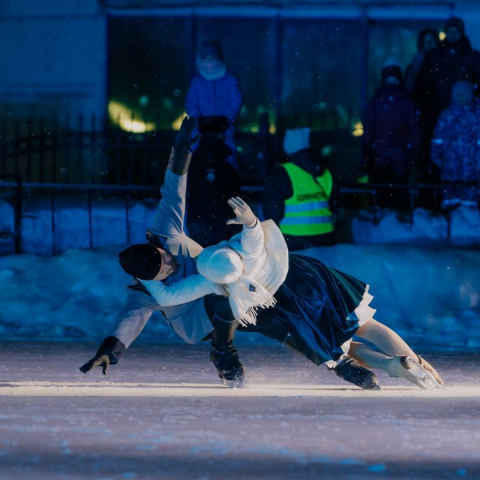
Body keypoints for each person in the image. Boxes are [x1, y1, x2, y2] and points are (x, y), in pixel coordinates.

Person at [140, 196, 443, 391]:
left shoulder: (217, 284)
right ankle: (411, 359)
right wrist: (248, 219)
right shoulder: (249, 251)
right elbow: (254, 232)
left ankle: (392, 366)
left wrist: (146, 277)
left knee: (341, 346)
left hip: (288, 305)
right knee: (365, 324)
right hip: (309, 278)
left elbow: (168, 297)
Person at [263, 128, 336, 251]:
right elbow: (335, 205)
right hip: (326, 237)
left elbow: (272, 209)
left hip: (293, 239)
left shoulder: (281, 173)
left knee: (297, 270)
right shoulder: (325, 171)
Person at [361, 65, 421, 211]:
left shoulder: (405, 102)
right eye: (389, 79)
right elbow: (369, 127)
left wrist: (412, 146)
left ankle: (394, 215)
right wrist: (368, 147)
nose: (392, 83)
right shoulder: (378, 101)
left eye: (394, 79)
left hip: (397, 152)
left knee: (397, 187)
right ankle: (383, 214)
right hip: (383, 151)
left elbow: (414, 127)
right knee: (383, 185)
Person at [416, 17, 480, 145]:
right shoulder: (434, 56)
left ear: (462, 33)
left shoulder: (473, 57)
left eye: (456, 31)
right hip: (437, 110)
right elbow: (423, 83)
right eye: (450, 31)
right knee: (438, 143)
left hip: (466, 113)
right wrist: (424, 105)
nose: (453, 35)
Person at [186, 40, 243, 169]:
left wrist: (226, 118)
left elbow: (235, 100)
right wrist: (197, 118)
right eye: (206, 59)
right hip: (201, 128)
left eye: (212, 58)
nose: (209, 63)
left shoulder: (229, 79)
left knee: (227, 155)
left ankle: (226, 181)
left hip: (224, 129)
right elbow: (191, 101)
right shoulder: (197, 81)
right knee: (198, 157)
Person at [186, 116, 240, 247]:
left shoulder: (197, 159)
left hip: (203, 226)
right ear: (221, 134)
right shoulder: (215, 161)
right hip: (215, 228)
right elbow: (214, 198)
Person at [431, 80, 480, 207]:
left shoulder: (476, 115)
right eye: (458, 95)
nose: (461, 98)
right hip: (450, 162)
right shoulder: (447, 115)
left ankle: (468, 217)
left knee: (469, 193)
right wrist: (436, 154)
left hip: (471, 162)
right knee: (450, 191)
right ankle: (451, 215)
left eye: (464, 95)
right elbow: (438, 137)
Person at [404, 29, 439, 94]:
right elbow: (408, 87)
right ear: (421, 44)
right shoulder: (414, 65)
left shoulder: (442, 62)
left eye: (432, 41)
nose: (430, 45)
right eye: (427, 42)